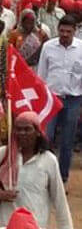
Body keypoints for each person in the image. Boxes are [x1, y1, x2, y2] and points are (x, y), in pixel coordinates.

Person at [0, 111, 75, 229]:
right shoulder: (3, 154)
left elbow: (60, 202)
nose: (22, 133)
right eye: (18, 129)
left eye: (27, 129)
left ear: (38, 132)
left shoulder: (49, 160)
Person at [36, 15, 82, 183]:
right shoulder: (48, 47)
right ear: (58, 30)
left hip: (73, 99)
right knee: (46, 137)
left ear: (74, 31)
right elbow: (41, 75)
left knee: (67, 140)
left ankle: (62, 178)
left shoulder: (81, 48)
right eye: (62, 31)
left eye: (68, 32)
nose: (64, 34)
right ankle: (44, 175)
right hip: (51, 98)